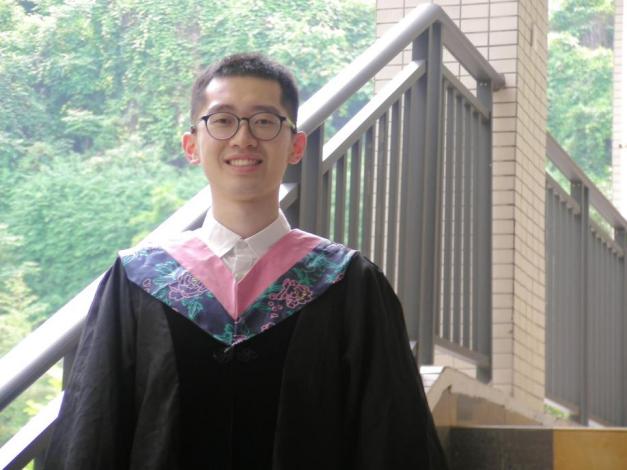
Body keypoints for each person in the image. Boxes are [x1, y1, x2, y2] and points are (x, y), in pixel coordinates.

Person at [44, 53, 448, 469]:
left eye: (264, 121)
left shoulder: (349, 284)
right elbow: (92, 434)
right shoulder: (138, 281)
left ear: (296, 146)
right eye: (222, 120)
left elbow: (394, 439)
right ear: (191, 146)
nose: (243, 138)